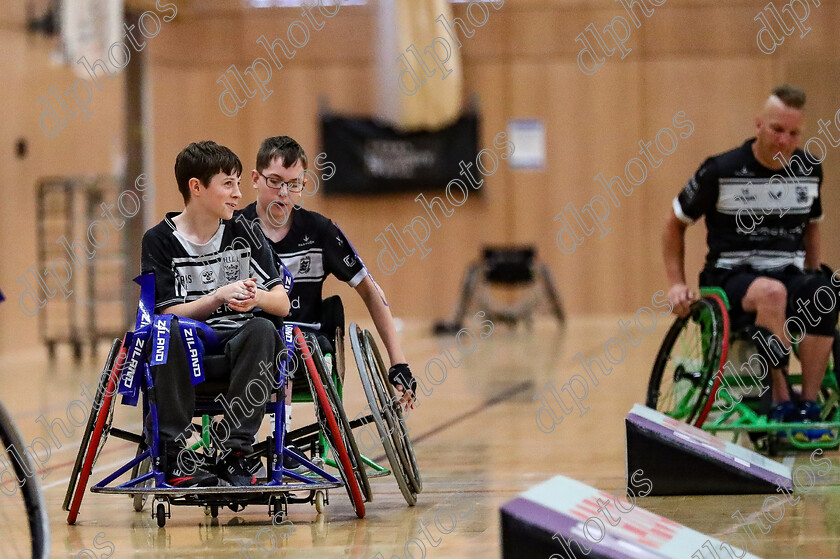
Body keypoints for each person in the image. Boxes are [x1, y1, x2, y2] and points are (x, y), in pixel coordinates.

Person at [662, 84, 837, 439]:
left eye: (793, 133)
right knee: (771, 293)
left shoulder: (808, 170)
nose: (784, 140)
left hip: (787, 272)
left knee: (825, 290)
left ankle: (809, 401)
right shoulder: (720, 170)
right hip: (731, 275)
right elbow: (673, 224)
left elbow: (812, 230)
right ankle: (781, 397)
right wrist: (676, 283)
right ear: (758, 124)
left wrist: (811, 276)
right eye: (776, 129)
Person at [141, 141, 290, 487]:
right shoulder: (158, 240)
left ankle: (237, 452)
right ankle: (177, 453)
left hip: (237, 342)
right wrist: (217, 297)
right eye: (228, 184)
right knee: (168, 330)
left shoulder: (245, 231)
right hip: (187, 344)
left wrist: (256, 300)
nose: (238, 194)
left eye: (239, 183)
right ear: (196, 187)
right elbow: (166, 311)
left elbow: (281, 303)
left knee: (264, 330)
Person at [235, 136, 417, 401]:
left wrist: (398, 361)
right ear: (255, 179)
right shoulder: (234, 229)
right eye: (274, 182)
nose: (283, 193)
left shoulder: (321, 232)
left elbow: (370, 290)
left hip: (303, 343)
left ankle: (279, 436)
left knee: (293, 350)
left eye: (293, 184)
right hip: (251, 341)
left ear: (304, 185)